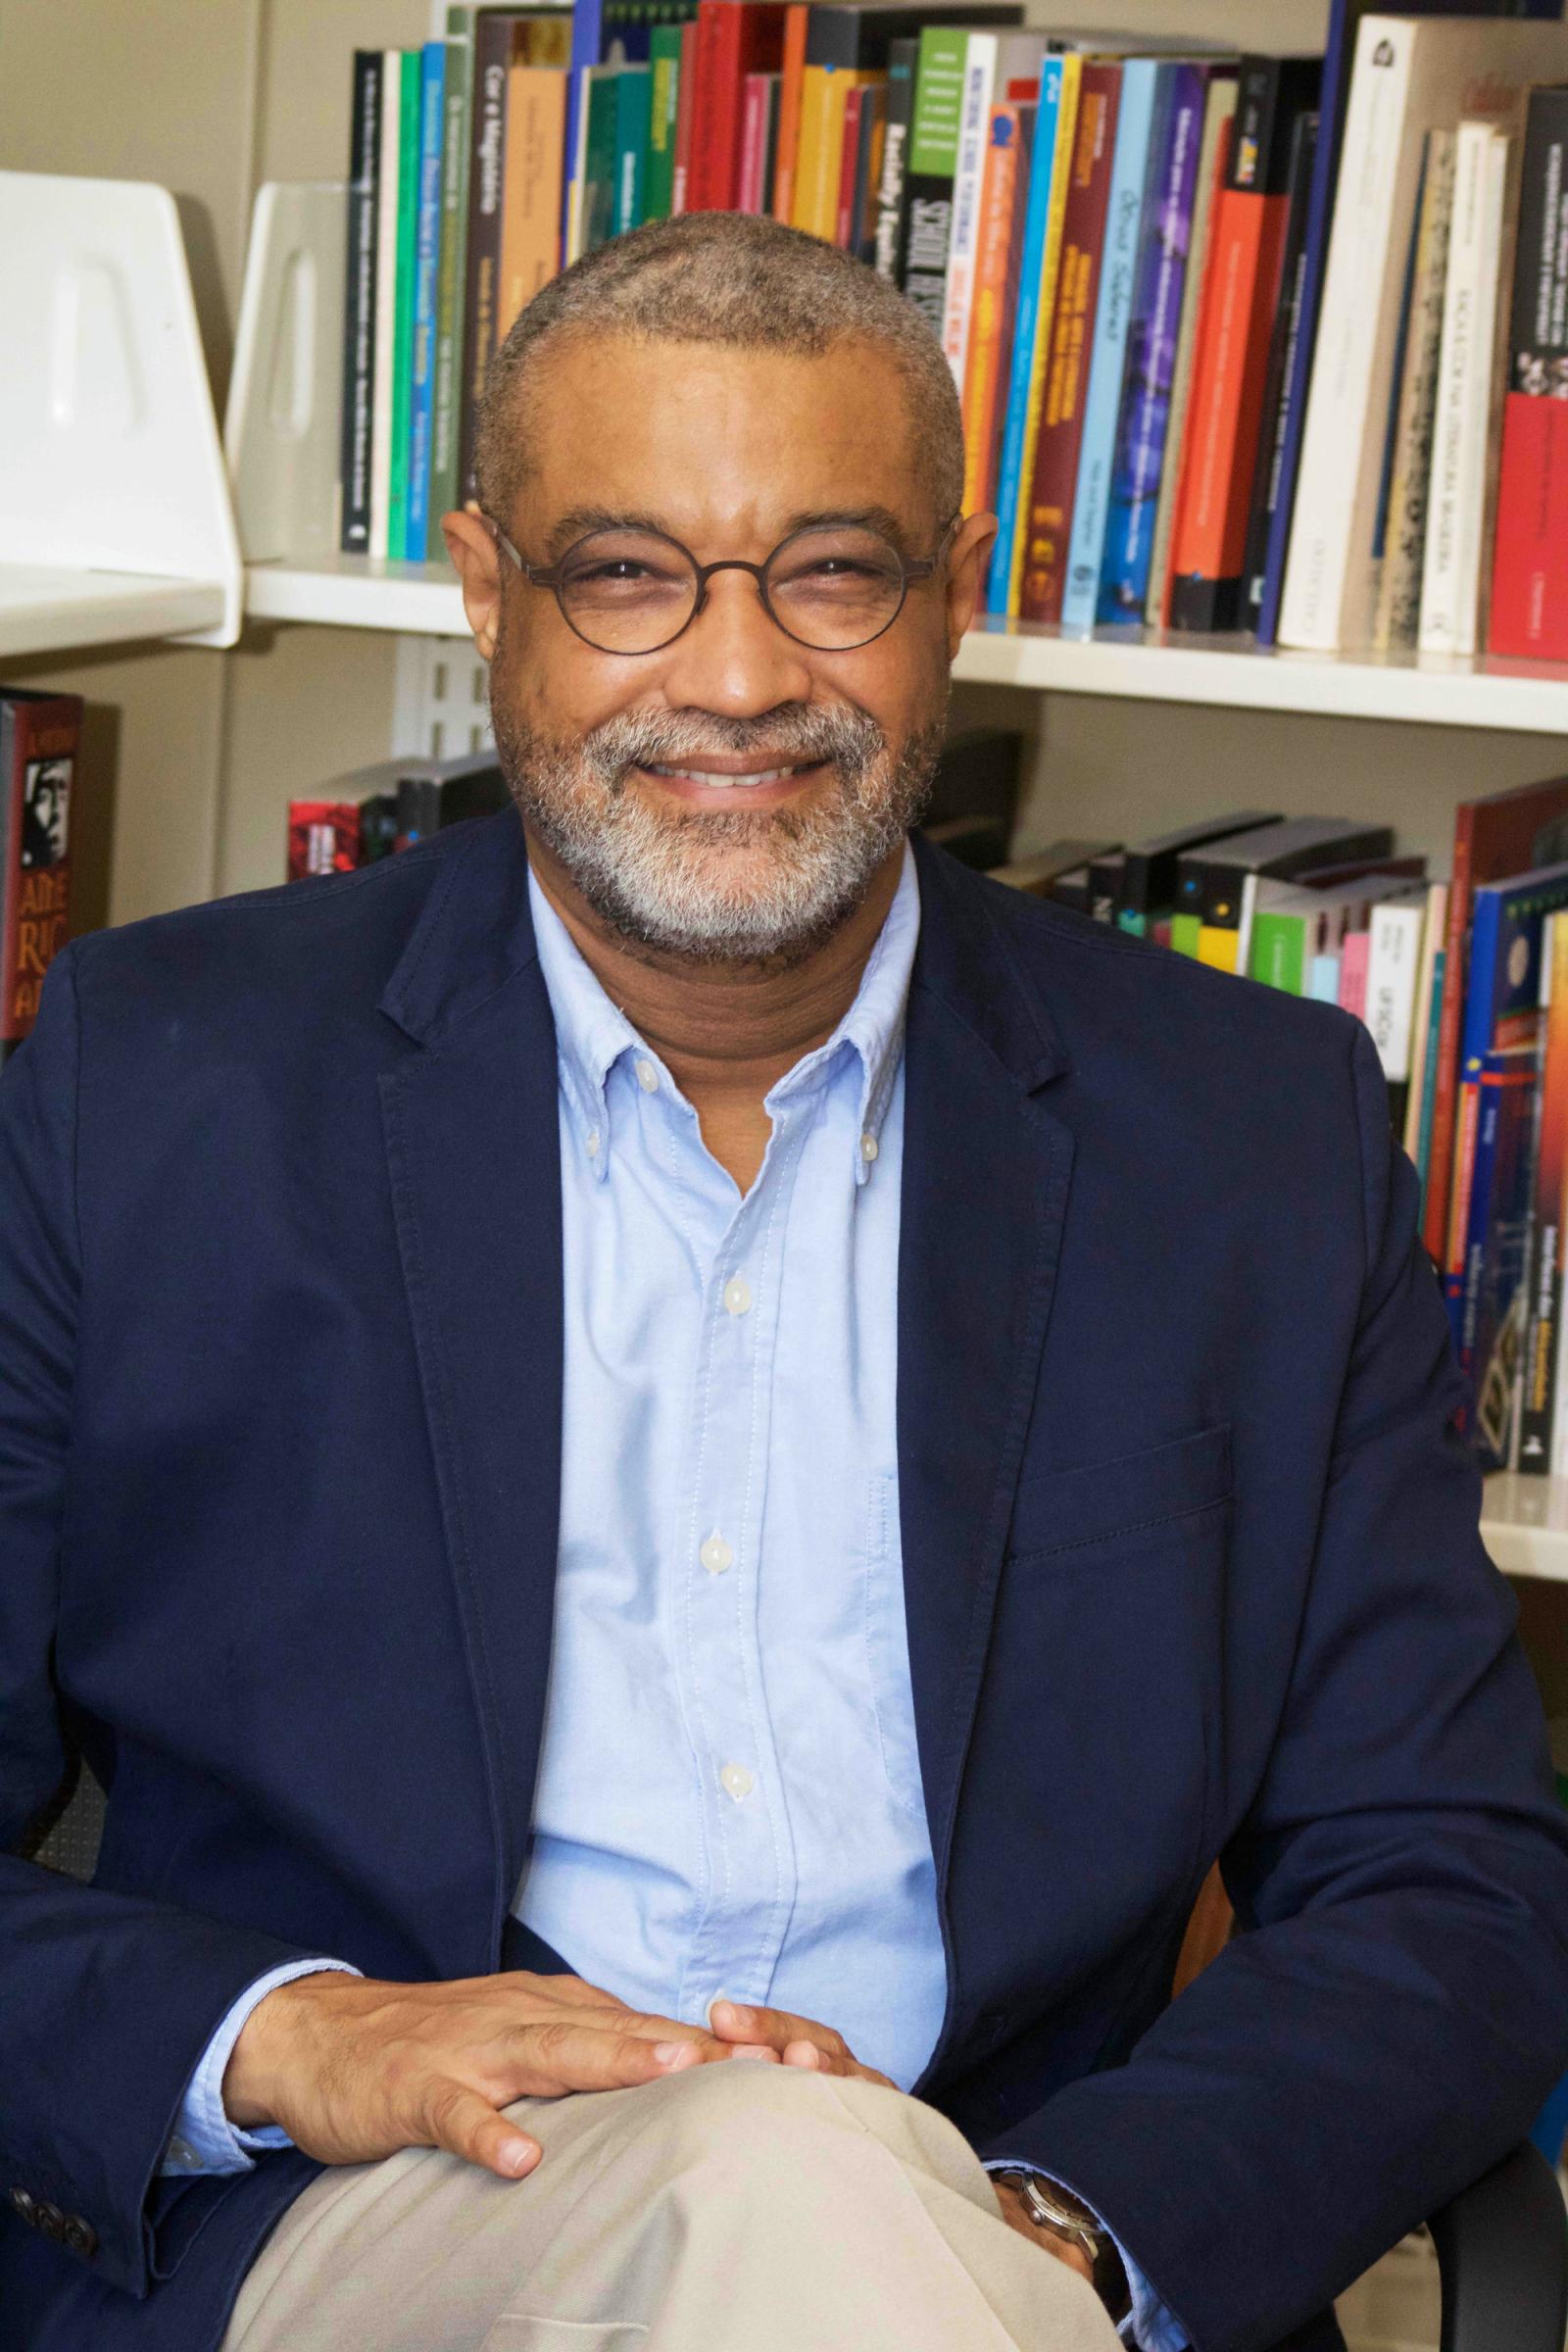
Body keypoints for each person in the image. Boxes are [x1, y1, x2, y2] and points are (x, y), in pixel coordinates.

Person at [2, 212, 1566, 2352]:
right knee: (766, 2167)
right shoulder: (151, 1083)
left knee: (804, 2202)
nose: (736, 680)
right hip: (369, 2226)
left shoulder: (1247, 1137)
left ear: (947, 600)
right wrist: (286, 2038)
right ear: (489, 594)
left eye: (828, 572)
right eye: (626, 574)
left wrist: (1062, 2228)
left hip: (1002, 2248)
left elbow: (1446, 1882)